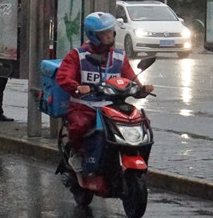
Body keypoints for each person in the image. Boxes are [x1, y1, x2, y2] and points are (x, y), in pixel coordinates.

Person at [56, 11, 154, 172]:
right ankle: (76, 153)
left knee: (142, 123)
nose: (109, 36)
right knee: (80, 125)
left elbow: (131, 79)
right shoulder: (77, 55)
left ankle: (136, 154)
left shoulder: (119, 57)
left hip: (113, 106)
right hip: (85, 105)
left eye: (110, 31)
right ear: (93, 35)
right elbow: (63, 76)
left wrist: (141, 89)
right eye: (104, 33)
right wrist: (77, 87)